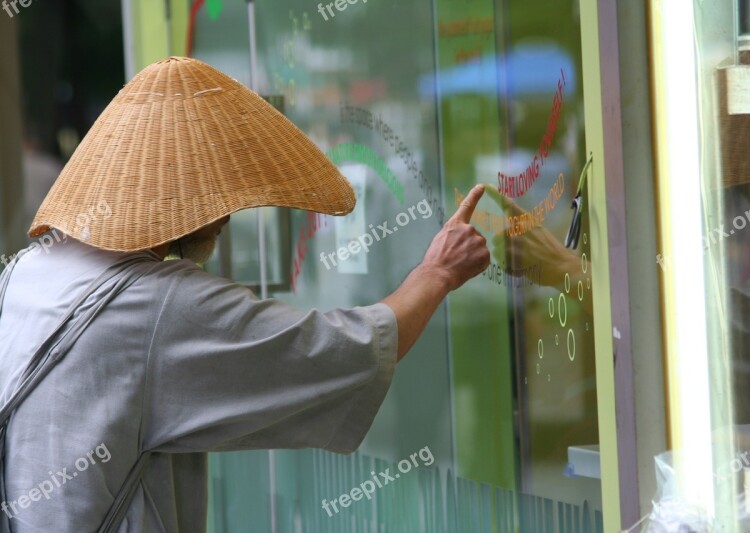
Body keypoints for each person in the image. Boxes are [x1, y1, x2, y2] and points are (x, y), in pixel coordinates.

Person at [0, 57, 489, 532]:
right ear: (184, 194)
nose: (228, 214)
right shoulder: (158, 305)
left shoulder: (24, 273)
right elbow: (349, 348)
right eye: (220, 190)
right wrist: (437, 271)